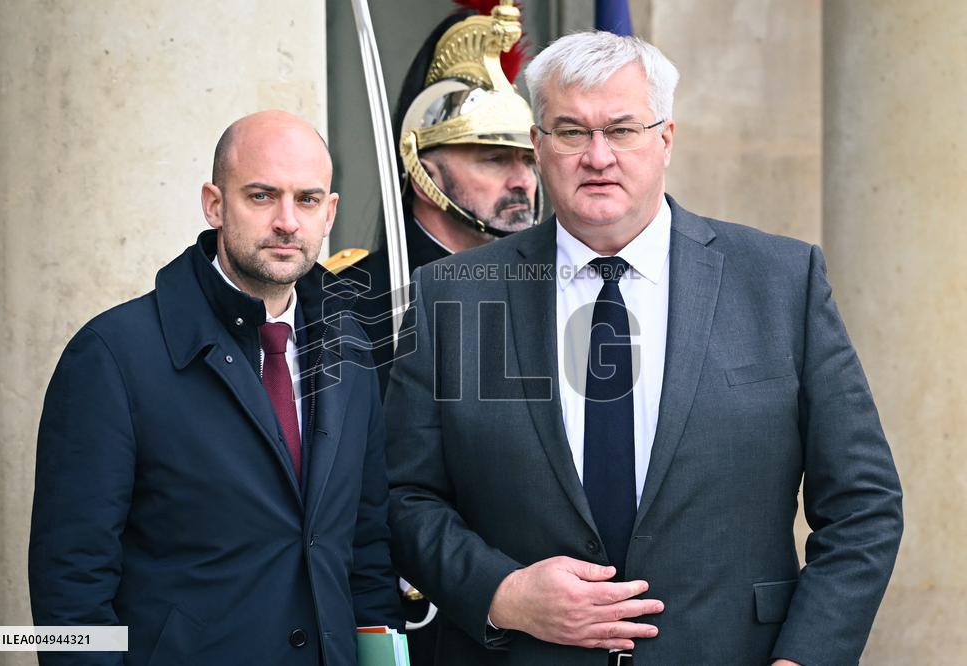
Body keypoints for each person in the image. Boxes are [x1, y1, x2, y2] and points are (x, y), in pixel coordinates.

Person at [385, 31, 903, 665]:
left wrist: (805, 658)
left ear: (666, 139)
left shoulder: (779, 283)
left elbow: (863, 504)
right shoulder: (453, 297)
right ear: (539, 146)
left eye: (623, 129)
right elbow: (402, 494)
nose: (597, 156)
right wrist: (502, 591)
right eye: (571, 131)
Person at [29, 110, 401, 665]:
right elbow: (70, 585)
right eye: (261, 196)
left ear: (330, 213)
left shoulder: (349, 346)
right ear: (214, 204)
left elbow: (368, 552)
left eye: (306, 199)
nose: (286, 222)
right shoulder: (112, 355)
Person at [337, 1, 539, 394]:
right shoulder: (350, 301)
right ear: (424, 174)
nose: (522, 181)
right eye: (495, 159)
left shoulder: (548, 287)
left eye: (529, 161)